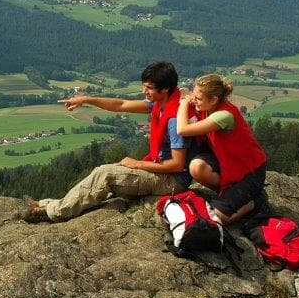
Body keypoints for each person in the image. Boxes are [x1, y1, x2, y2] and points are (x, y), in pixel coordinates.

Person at [24, 61, 194, 222]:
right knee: (105, 173)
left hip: (172, 181)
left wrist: (136, 164)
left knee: (105, 174)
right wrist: (86, 99)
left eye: (149, 88)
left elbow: (177, 165)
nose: (145, 91)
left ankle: (52, 212)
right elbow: (121, 104)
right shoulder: (160, 103)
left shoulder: (174, 119)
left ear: (164, 89)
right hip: (161, 171)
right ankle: (48, 204)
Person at [174, 74, 268, 224]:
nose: (194, 100)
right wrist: (186, 94)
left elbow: (182, 129)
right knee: (197, 167)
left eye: (198, 98)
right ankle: (229, 195)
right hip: (228, 161)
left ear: (214, 100)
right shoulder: (208, 106)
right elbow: (184, 92)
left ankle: (254, 202)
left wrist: (184, 103)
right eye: (194, 95)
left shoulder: (224, 116)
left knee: (216, 218)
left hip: (249, 172)